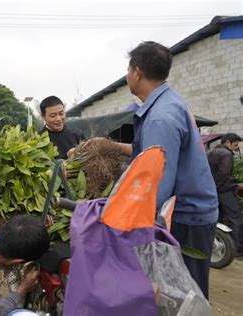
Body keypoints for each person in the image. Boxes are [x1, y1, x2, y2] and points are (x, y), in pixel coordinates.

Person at [110, 41, 218, 299]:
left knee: (185, 296)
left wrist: (122, 221)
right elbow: (151, 154)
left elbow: (156, 187)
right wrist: (110, 146)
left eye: (127, 69)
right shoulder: (170, 102)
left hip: (185, 217)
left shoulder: (160, 117)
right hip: (196, 211)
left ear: (137, 72)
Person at [208, 133, 242, 255]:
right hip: (225, 191)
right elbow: (223, 173)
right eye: (235, 144)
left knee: (217, 218)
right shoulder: (226, 154)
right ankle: (236, 248)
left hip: (215, 192)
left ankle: (212, 244)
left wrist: (212, 188)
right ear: (227, 142)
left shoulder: (211, 153)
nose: (236, 147)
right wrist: (217, 186)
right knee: (235, 218)